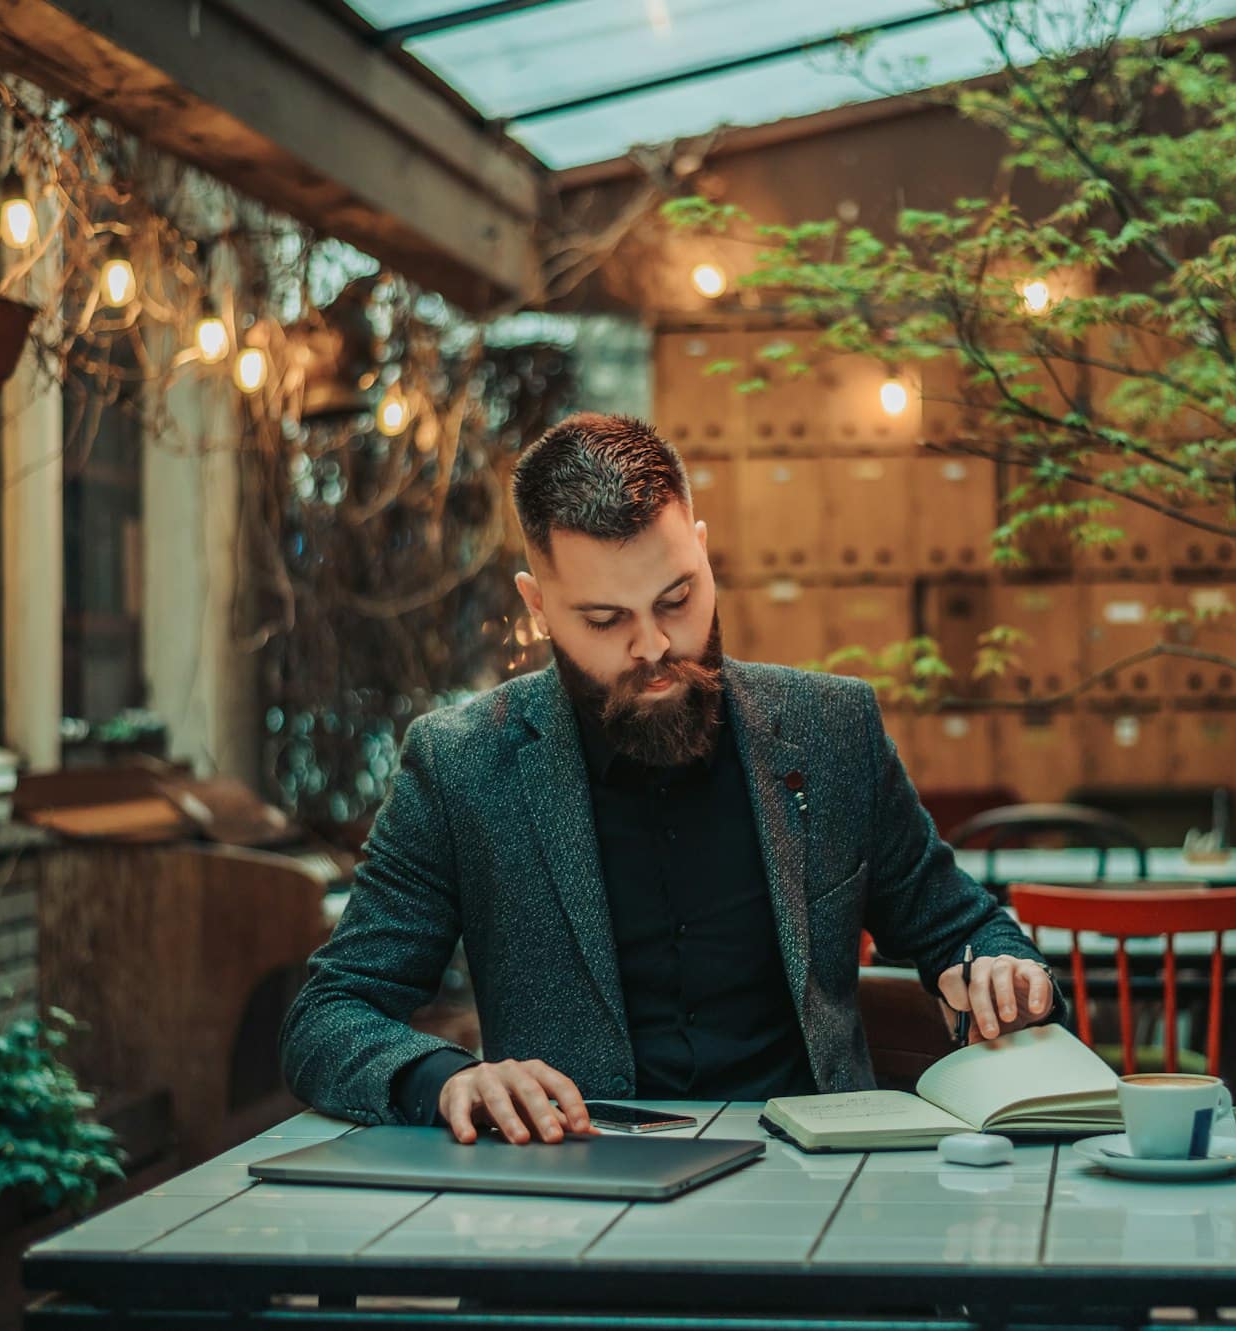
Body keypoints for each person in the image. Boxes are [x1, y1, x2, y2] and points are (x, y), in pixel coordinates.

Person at [279, 412, 1059, 1144]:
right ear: (539, 604)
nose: (653, 645)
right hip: (578, 1191)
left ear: (703, 550)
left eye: (677, 598)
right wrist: (448, 1079)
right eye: (605, 619)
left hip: (812, 1181)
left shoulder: (831, 730)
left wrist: (996, 969)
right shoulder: (462, 764)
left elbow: (966, 928)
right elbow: (327, 1014)